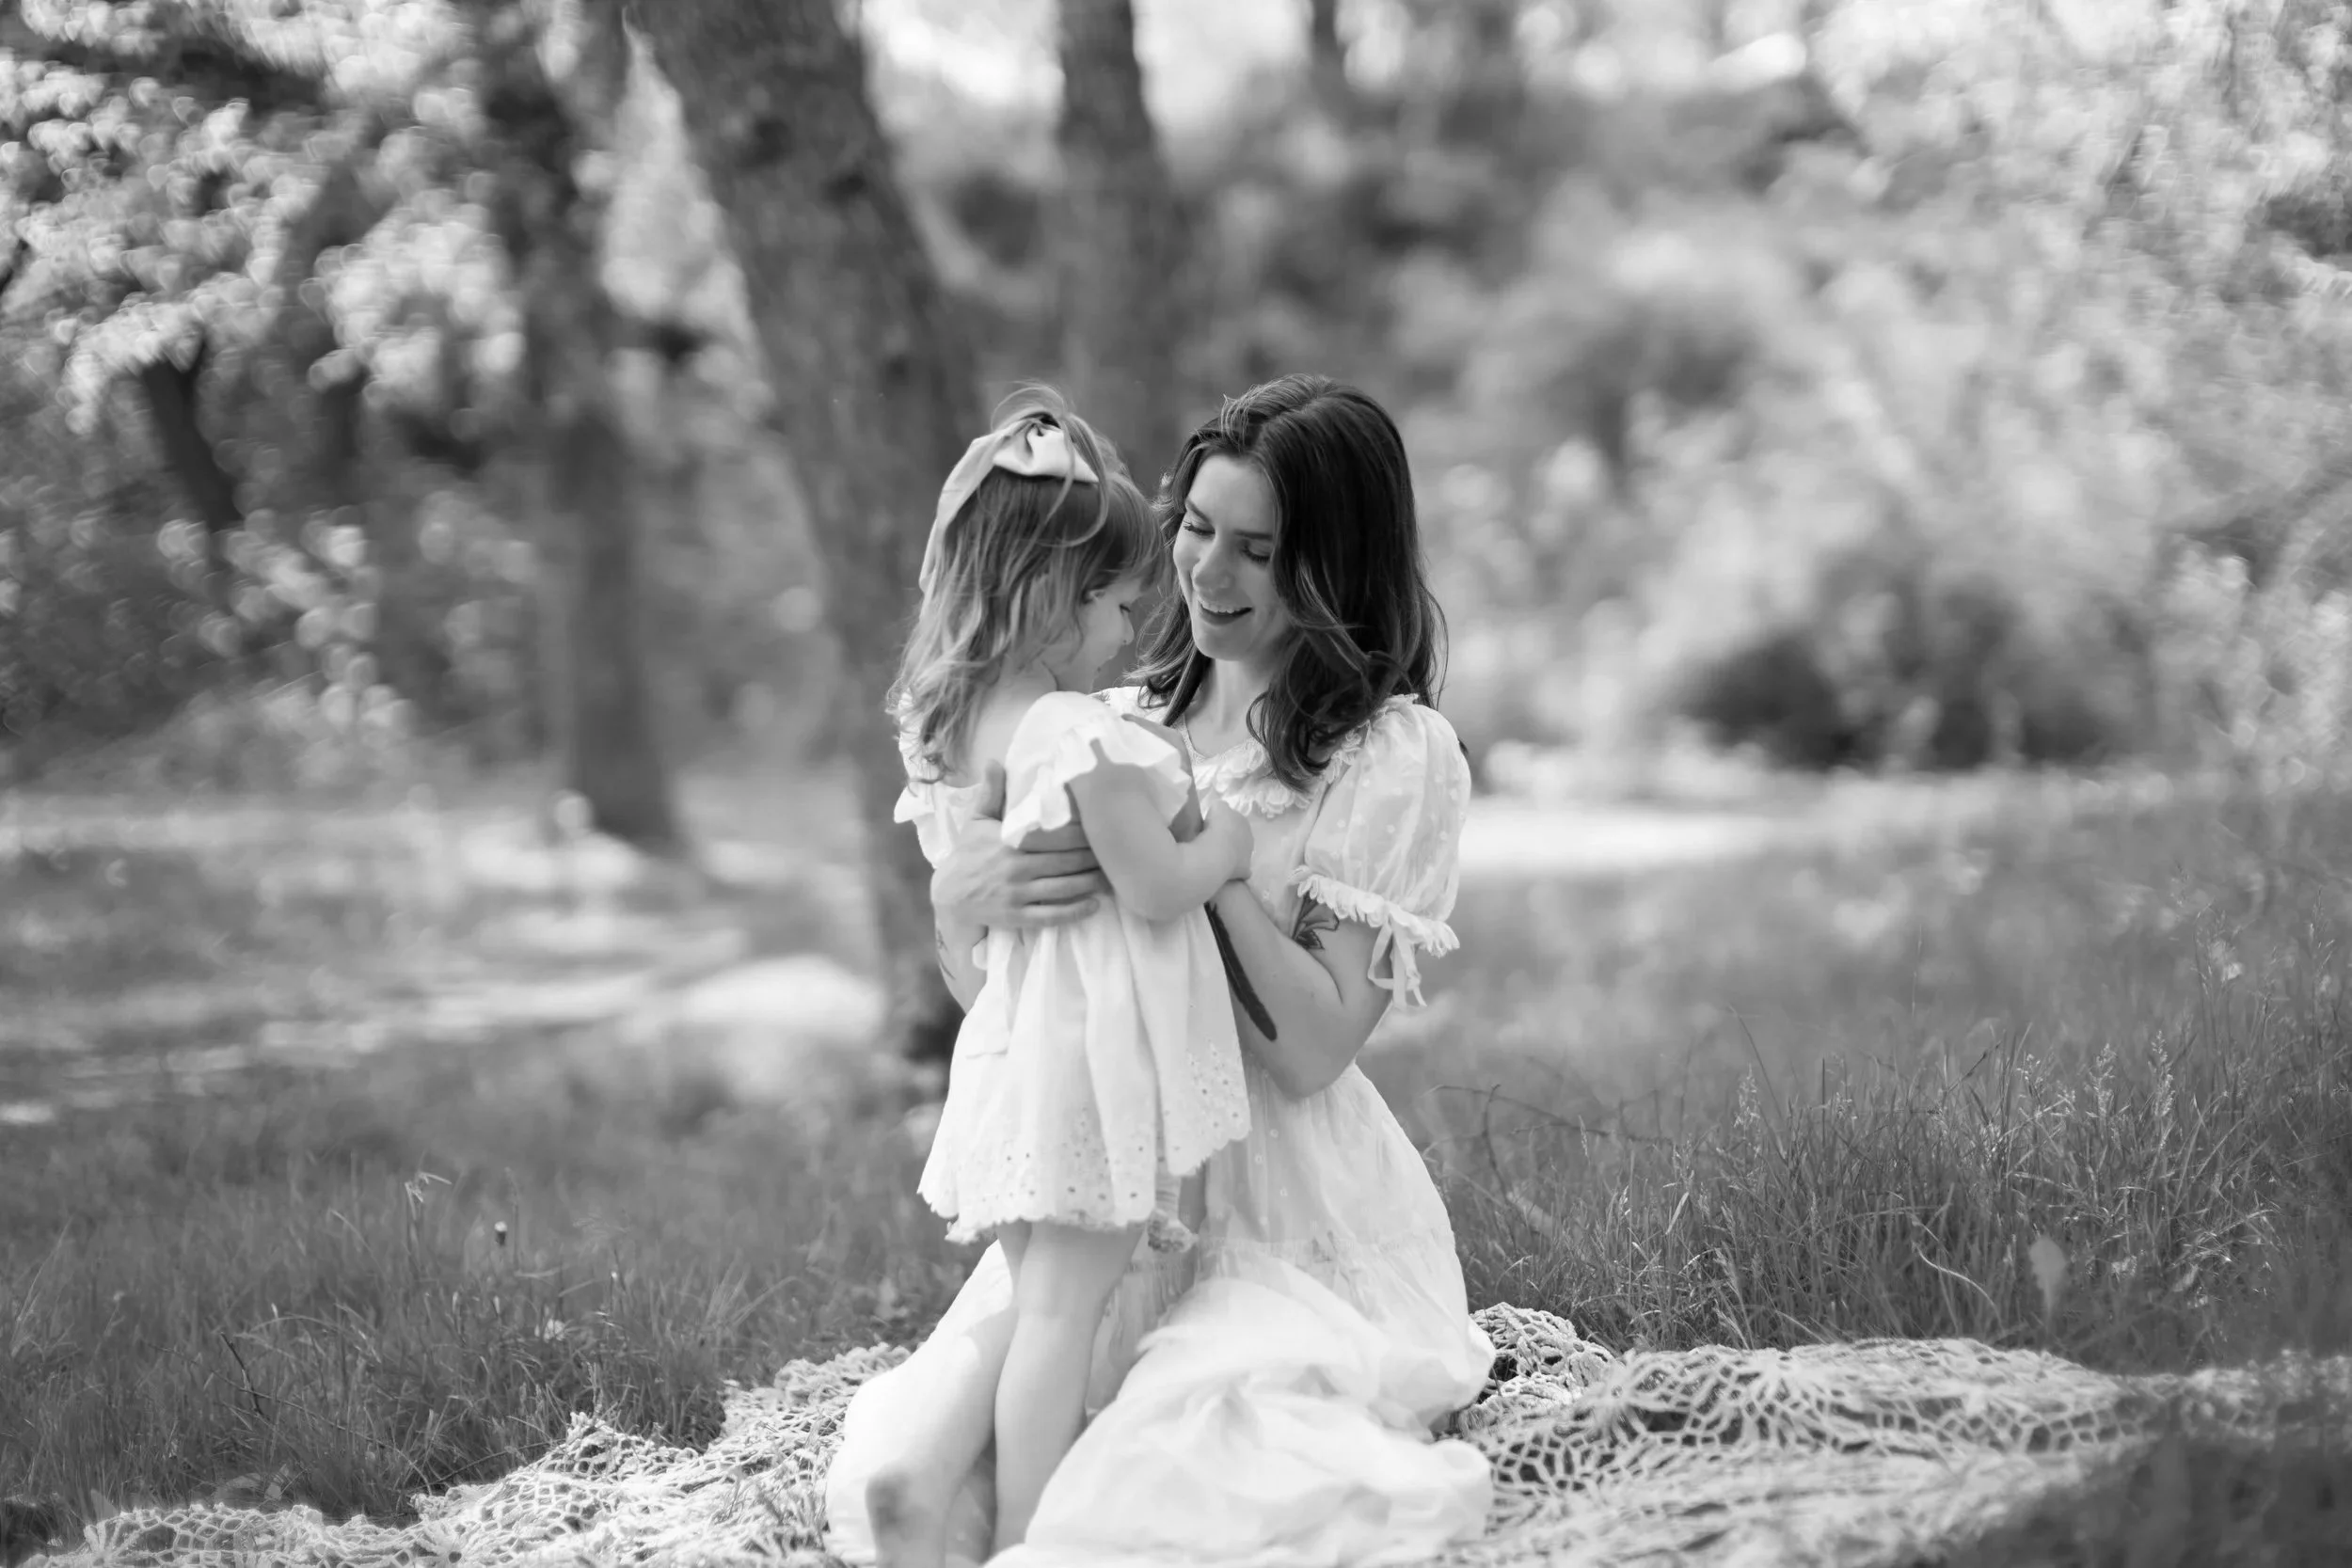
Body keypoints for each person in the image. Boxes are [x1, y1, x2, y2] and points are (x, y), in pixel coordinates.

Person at [830, 374, 1495, 1568]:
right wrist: (957, 905)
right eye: (1194, 527)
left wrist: (1208, 867)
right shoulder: (1099, 716)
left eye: (1257, 549)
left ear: (1336, 567)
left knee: (1158, 1492)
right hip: (1103, 1153)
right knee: (901, 1485)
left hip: (1279, 1215)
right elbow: (1021, 1003)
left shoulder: (1387, 752)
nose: (1206, 572)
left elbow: (1309, 1051)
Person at [884, 390, 1258, 1560]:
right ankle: (1034, 1536)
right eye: (1108, 600)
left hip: (1014, 1060)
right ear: (1047, 592)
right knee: (1059, 1311)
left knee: (1037, 1308)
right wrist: (1229, 843)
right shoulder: (1070, 729)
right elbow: (1152, 885)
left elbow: (993, 929)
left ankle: (956, 1490)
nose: (1125, 626)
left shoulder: (965, 731)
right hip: (1090, 1072)